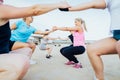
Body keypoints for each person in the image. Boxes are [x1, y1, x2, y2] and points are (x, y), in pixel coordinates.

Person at [0, 0, 70, 79]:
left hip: (14, 43)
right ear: (26, 17)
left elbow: (42, 33)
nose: (32, 17)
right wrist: (59, 4)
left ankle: (27, 61)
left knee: (31, 46)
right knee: (28, 46)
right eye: (30, 16)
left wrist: (52, 30)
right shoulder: (19, 22)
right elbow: (9, 29)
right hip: (12, 41)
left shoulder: (31, 28)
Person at [59, 0, 120, 80]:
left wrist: (57, 28)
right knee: (91, 49)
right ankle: (99, 78)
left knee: (66, 51)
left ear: (80, 23)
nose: (75, 23)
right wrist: (67, 8)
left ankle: (77, 63)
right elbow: (92, 4)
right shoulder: (111, 1)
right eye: (74, 22)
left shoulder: (79, 28)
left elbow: (67, 28)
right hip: (117, 36)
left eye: (76, 22)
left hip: (80, 47)